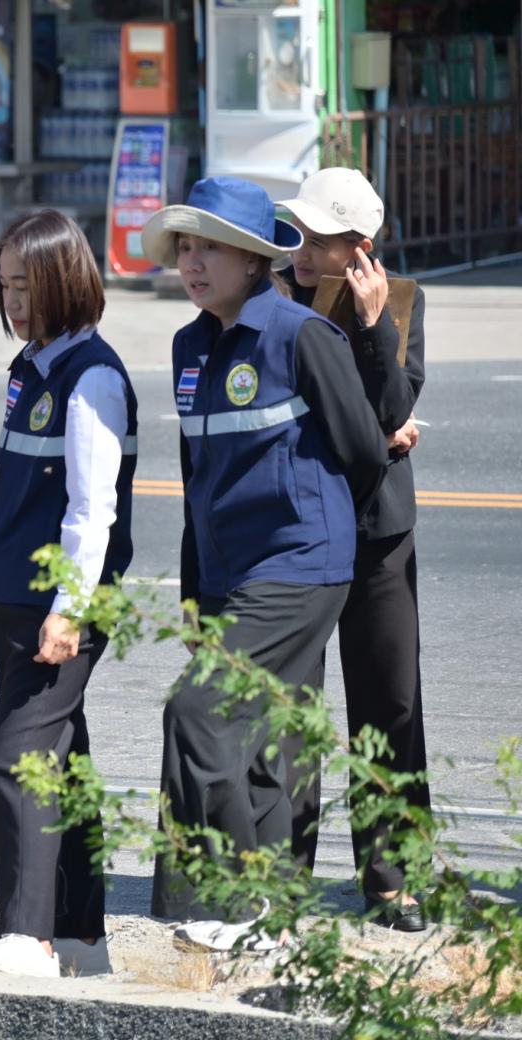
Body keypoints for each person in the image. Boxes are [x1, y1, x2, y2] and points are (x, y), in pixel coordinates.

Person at [140, 177, 388, 951]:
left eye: (210, 248)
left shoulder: (300, 335)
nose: (192, 263)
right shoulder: (188, 347)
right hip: (226, 575)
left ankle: (235, 901)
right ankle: (272, 916)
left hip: (300, 564)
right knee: (258, 744)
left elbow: (363, 451)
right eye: (185, 247)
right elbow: (198, 482)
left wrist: (313, 526)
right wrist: (195, 593)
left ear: (254, 260)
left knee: (196, 711)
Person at [0, 211, 136, 980]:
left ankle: (27, 935)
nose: (15, 302)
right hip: (18, 597)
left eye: (27, 286)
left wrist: (70, 609)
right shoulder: (32, 363)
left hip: (58, 604)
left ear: (65, 280)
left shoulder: (90, 375)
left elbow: (93, 510)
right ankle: (82, 937)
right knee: (63, 761)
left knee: (18, 756)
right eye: (5, 286)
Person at [275, 168, 430, 933]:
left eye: (321, 240)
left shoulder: (398, 300)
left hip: (377, 531)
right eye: (297, 234)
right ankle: (281, 878)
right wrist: (379, 432)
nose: (302, 252)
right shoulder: (270, 296)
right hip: (295, 527)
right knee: (288, 711)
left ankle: (392, 878)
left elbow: (396, 407)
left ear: (360, 247)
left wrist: (374, 330)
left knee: (389, 703)